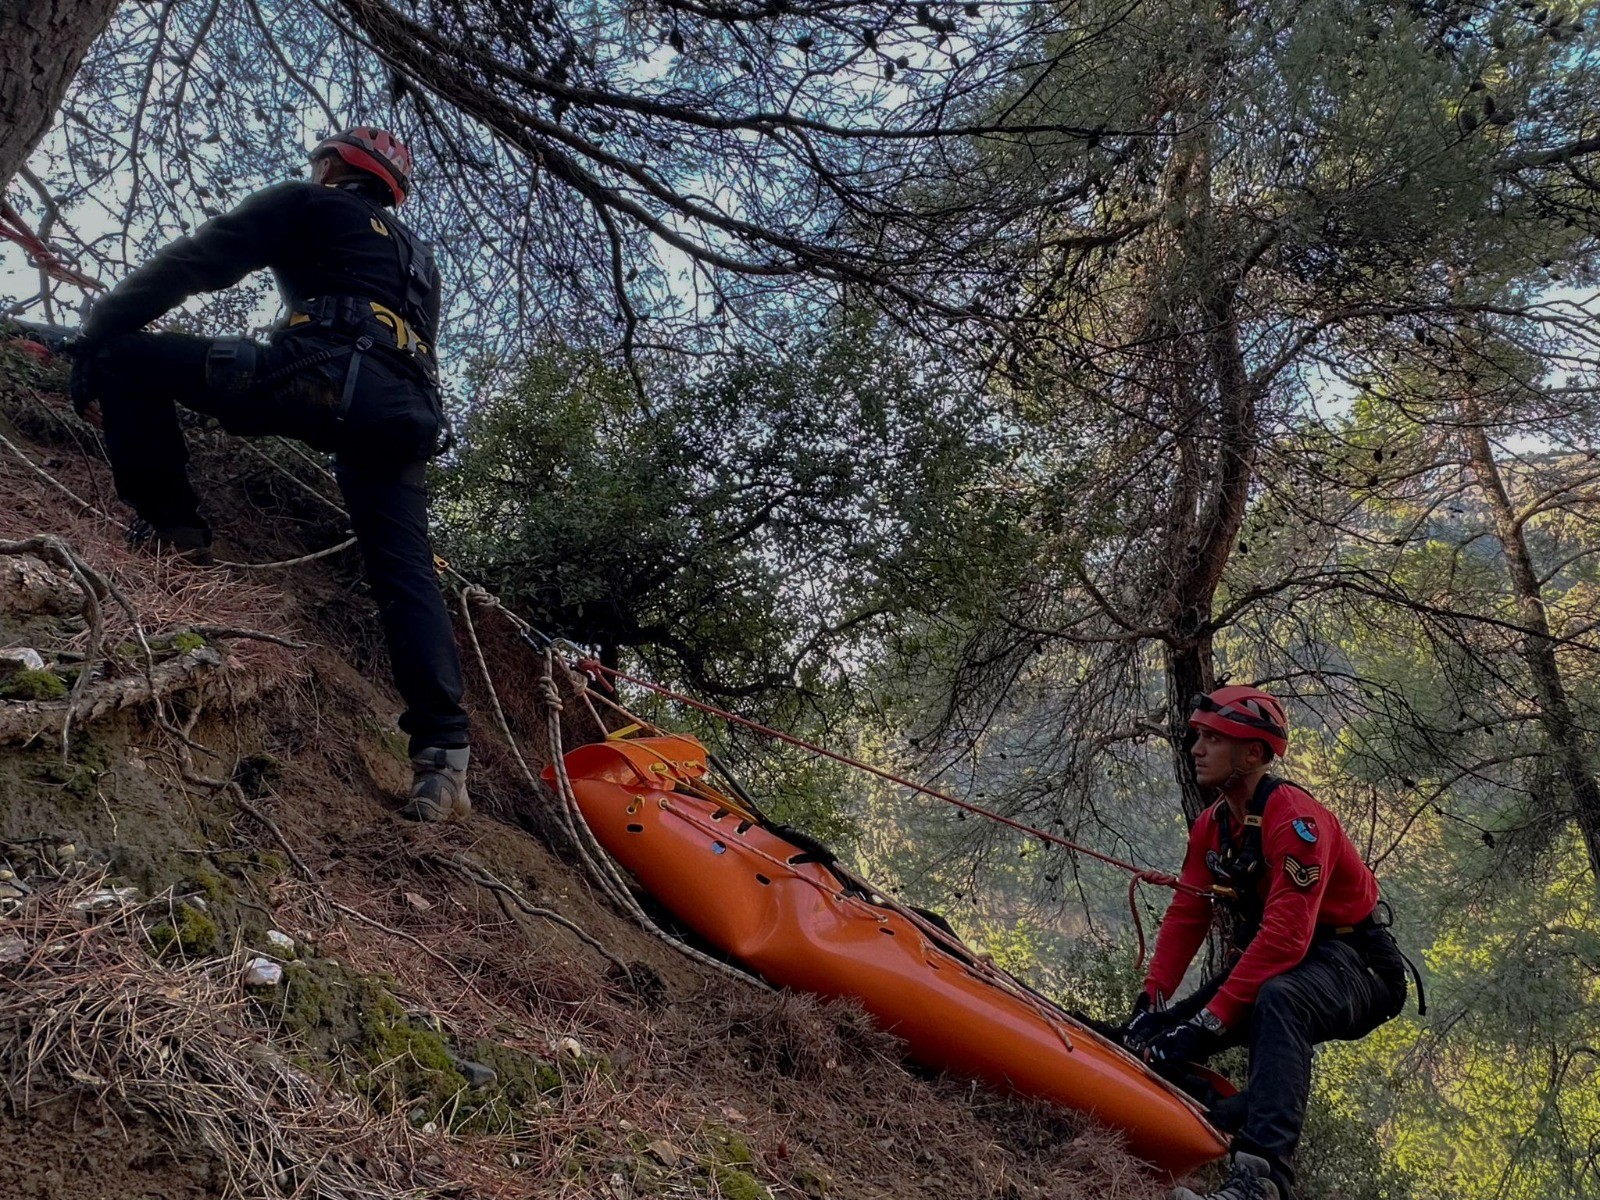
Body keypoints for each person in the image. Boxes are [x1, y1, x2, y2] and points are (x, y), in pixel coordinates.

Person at [66, 127, 471, 822]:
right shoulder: (421, 260)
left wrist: (96, 330)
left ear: (336, 167)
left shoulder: (308, 204)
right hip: (406, 412)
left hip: (312, 376)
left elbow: (194, 263)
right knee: (405, 572)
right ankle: (444, 760)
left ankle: (174, 528)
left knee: (127, 357)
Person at [1116, 686, 1410, 1200]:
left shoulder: (1296, 822)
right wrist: (1152, 1000)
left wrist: (1210, 1024)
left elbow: (1286, 937)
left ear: (1253, 754)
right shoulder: (1213, 826)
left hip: (1356, 964)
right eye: (1197, 737)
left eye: (1213, 738)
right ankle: (1218, 1113)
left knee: (1280, 1001)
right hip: (1289, 958)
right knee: (1164, 1030)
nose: (1196, 749)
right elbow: (1189, 912)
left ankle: (1261, 1181)